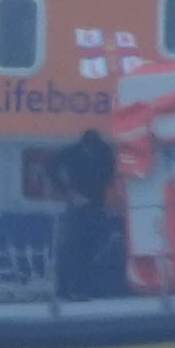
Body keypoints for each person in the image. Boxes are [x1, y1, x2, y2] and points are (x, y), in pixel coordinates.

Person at [52, 125, 122, 297]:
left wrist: (101, 188)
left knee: (94, 246)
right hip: (77, 206)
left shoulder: (105, 152)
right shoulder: (72, 152)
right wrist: (68, 191)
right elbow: (51, 167)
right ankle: (66, 289)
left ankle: (85, 287)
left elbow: (110, 173)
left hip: (96, 205)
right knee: (73, 248)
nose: (89, 150)